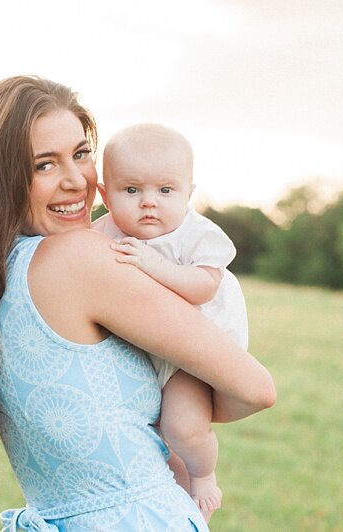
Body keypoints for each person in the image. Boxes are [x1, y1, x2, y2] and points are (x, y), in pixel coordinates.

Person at [0, 75, 276, 531]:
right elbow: (256, 388)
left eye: (80, 154)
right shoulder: (79, 257)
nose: (77, 181)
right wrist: (185, 414)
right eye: (44, 165)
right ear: (1, 180)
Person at [93, 123, 248, 518]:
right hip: (146, 350)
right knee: (153, 437)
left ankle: (204, 476)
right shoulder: (102, 232)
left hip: (196, 352)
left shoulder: (196, 235)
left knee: (182, 425)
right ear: (104, 194)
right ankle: (174, 504)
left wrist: (152, 264)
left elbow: (202, 287)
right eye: (132, 190)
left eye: (165, 191)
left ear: (188, 193)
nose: (149, 203)